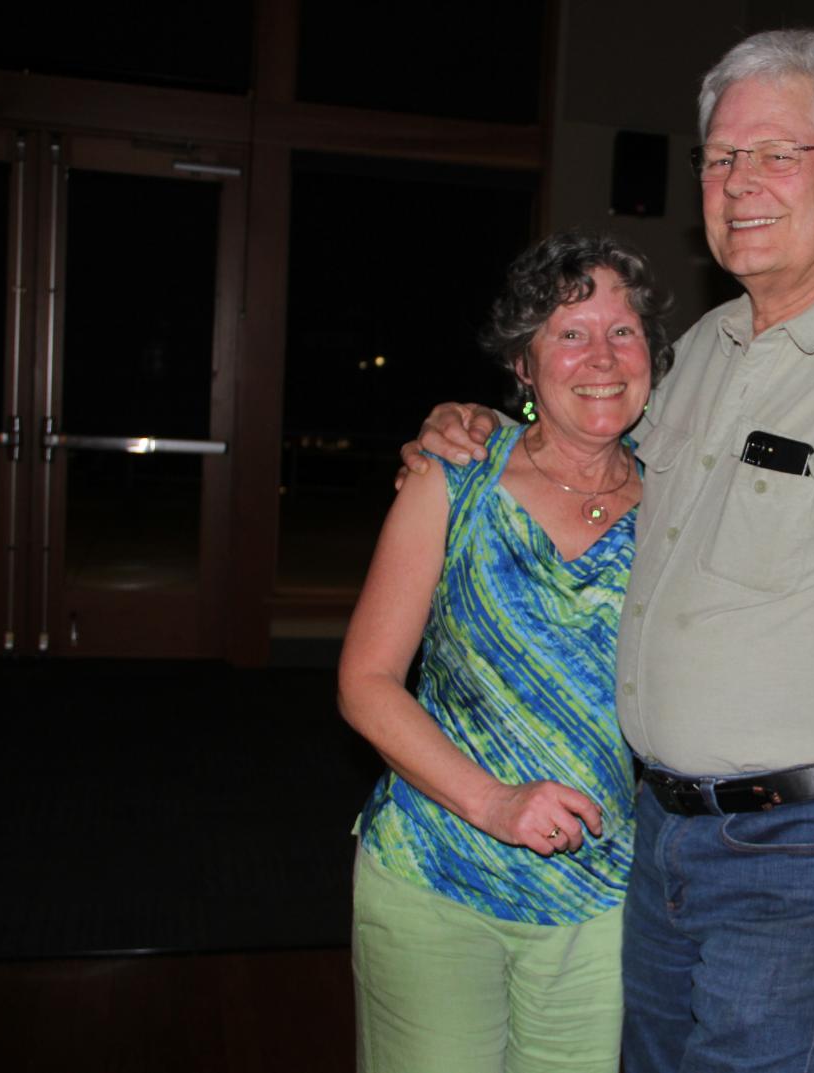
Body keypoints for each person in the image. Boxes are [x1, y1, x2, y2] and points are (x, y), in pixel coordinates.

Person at [404, 28, 814, 1073]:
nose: (739, 182)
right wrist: (483, 425)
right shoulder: (698, 353)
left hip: (803, 855)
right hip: (656, 838)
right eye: (720, 157)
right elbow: (586, 459)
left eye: (778, 154)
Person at [339, 229, 674, 1073]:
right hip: (433, 874)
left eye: (623, 330)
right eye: (570, 333)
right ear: (523, 363)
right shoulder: (454, 476)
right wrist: (493, 803)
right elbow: (365, 681)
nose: (602, 356)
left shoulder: (678, 507)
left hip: (597, 900)